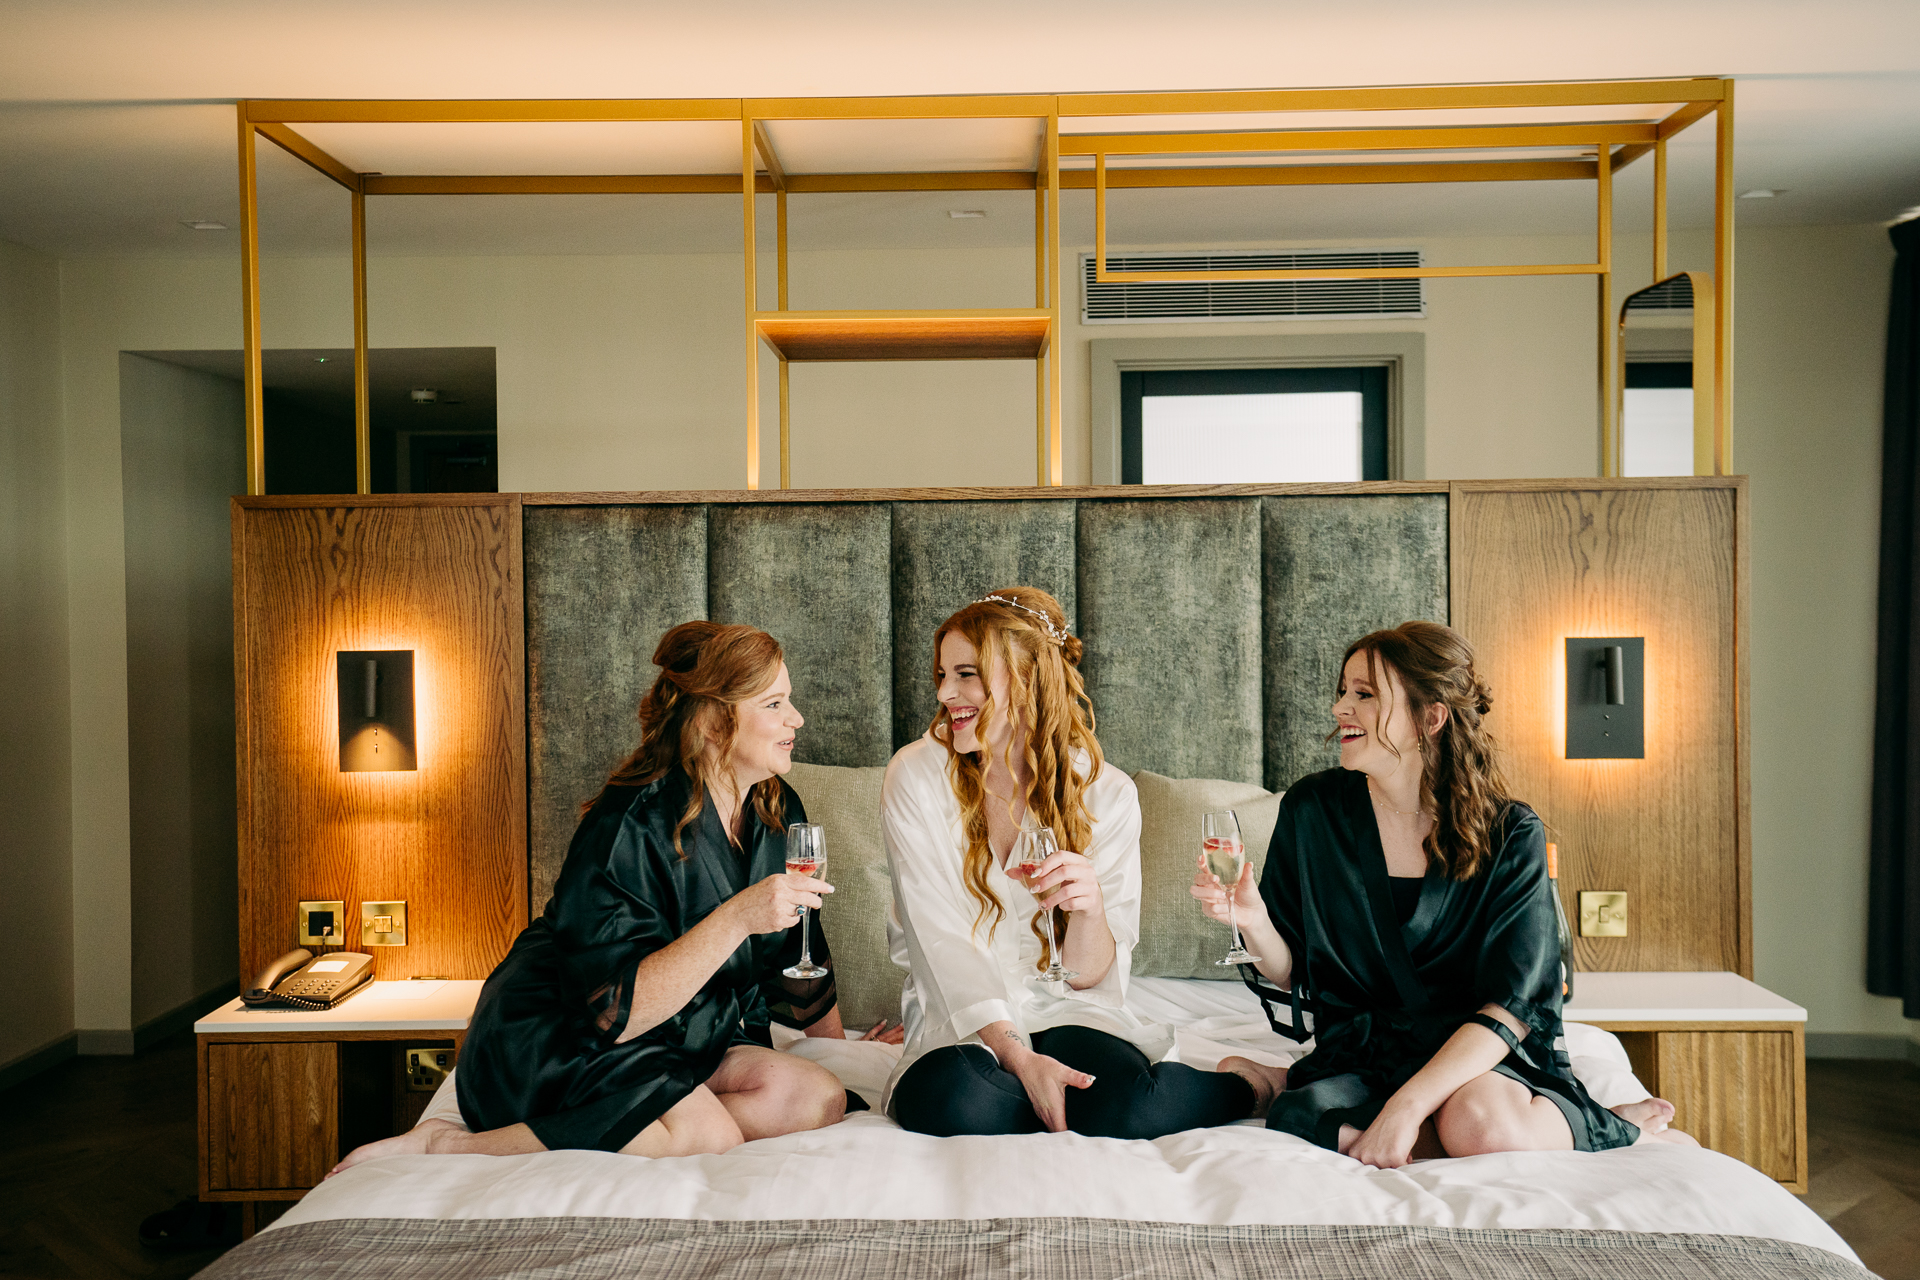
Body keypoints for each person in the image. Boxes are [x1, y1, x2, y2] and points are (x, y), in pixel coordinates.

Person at [332, 620, 867, 1172]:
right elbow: (613, 1013)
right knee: (706, 1132)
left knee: (815, 1097)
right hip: (561, 1039)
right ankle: (447, 1144)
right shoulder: (629, 824)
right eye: (775, 703)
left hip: (682, 1034)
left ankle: (662, 1116)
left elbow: (798, 947)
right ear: (713, 719)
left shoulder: (775, 807)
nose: (795, 719)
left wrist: (848, 1046)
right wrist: (736, 918)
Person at [1191, 621, 1695, 1166]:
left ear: (1430, 718)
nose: (1340, 708)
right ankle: (1308, 1089)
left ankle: (1614, 1125)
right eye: (1342, 691)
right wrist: (1253, 919)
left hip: (1478, 1055)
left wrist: (1406, 1108)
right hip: (1367, 1053)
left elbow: (1515, 1004)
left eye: (1364, 695)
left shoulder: (1510, 833)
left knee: (1482, 1131)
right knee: (1310, 1124)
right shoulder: (1314, 811)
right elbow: (1297, 974)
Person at [883, 587, 1287, 1137]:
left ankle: (1254, 1084)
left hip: (1066, 1009)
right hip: (966, 1019)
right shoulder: (916, 775)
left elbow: (1092, 976)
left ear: (1028, 680)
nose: (947, 693)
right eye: (942, 675)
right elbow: (941, 942)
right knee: (959, 1104)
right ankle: (1035, 1090)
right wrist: (1020, 1059)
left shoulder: (1107, 792)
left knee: (1132, 1109)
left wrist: (1091, 911)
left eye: (967, 674)